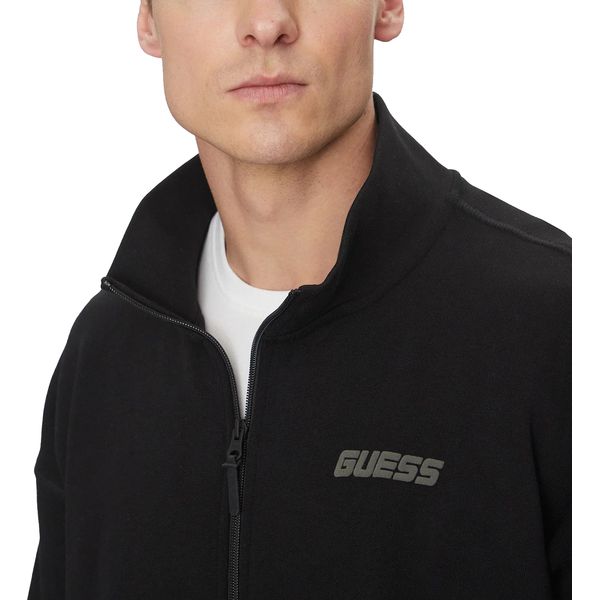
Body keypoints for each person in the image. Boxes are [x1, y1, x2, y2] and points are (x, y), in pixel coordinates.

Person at [28, 1, 571, 599]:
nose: (266, 23)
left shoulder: (559, 326)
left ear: (387, 6)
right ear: (149, 20)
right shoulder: (104, 353)